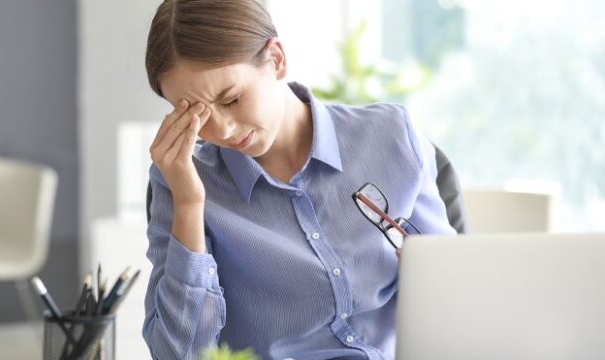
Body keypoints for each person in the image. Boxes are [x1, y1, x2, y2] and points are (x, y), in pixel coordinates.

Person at [142, 0, 456, 359]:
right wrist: (189, 204)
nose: (223, 129)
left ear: (276, 59)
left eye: (231, 100)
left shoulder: (391, 136)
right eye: (195, 115)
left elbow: (454, 293)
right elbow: (178, 354)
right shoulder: (184, 181)